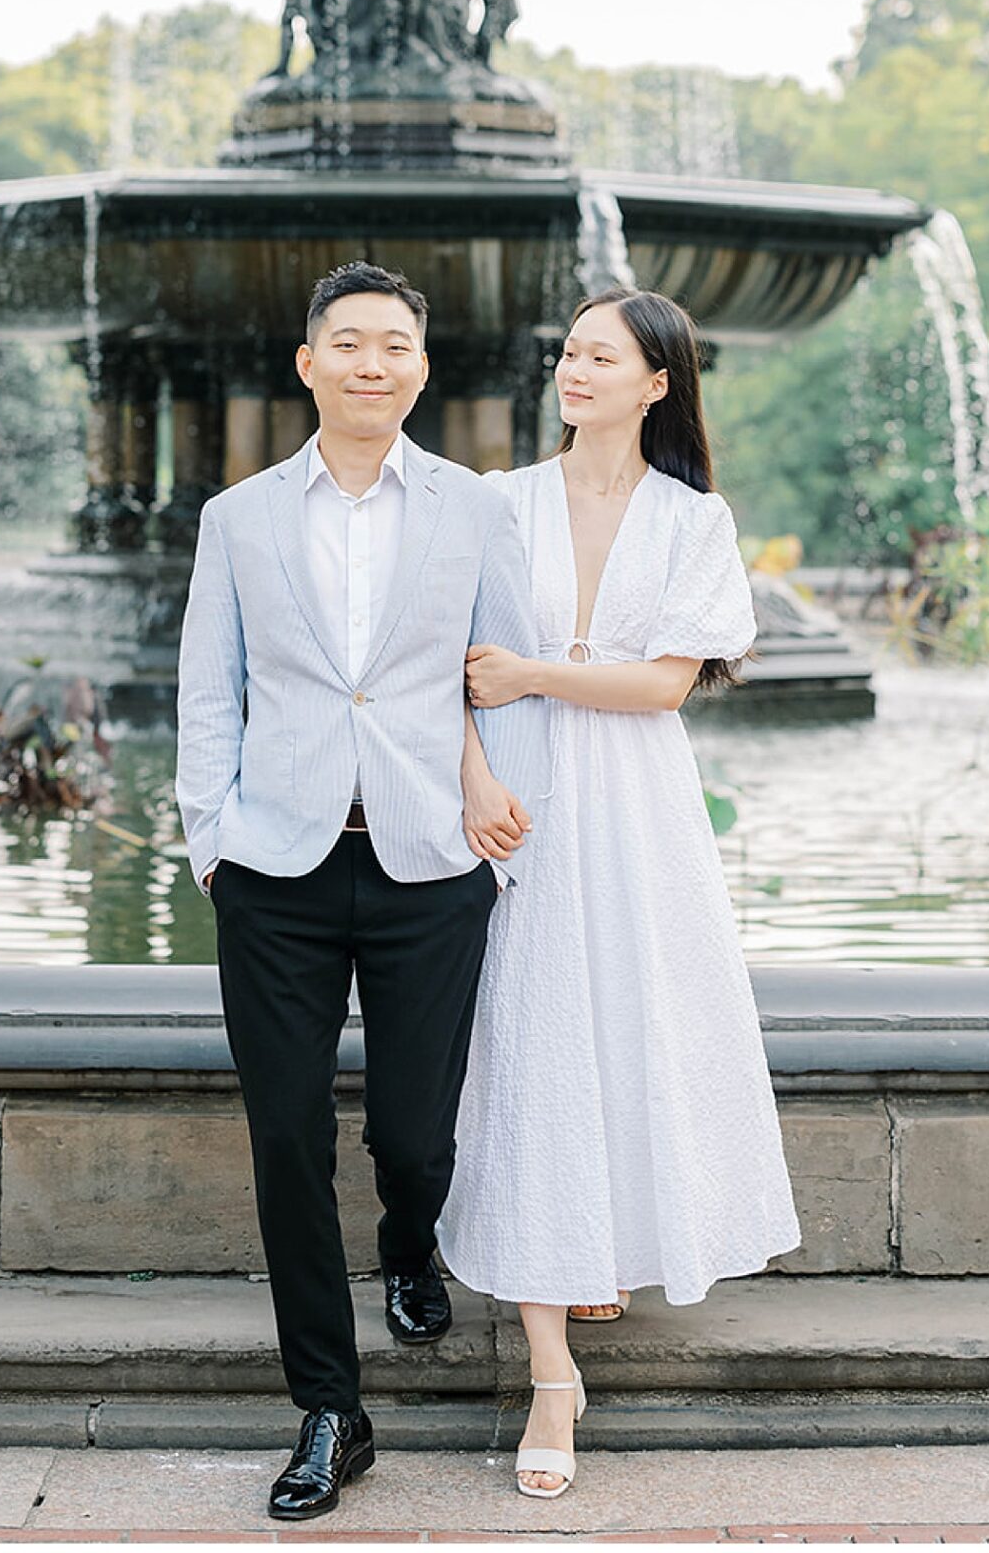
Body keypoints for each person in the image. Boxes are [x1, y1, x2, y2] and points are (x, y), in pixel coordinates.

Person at [174, 260, 542, 1523]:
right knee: (285, 1137)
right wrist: (211, 844)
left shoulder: (472, 512)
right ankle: (331, 1407)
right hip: (273, 865)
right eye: (349, 342)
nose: (372, 362)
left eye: (394, 343)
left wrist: (495, 832)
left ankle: (407, 1241)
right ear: (309, 363)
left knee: (414, 1134)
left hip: (430, 863)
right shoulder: (239, 517)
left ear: (421, 369)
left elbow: (501, 679)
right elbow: (207, 694)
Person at [438, 285, 804, 1499]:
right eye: (568, 352)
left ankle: (598, 1248)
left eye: (600, 355)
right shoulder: (498, 505)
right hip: (523, 804)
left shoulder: (692, 520)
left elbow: (661, 686)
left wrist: (539, 669)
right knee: (534, 1048)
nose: (572, 369)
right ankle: (553, 1373)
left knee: (631, 1029)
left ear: (657, 381)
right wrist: (475, 774)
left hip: (639, 814)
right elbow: (441, 669)